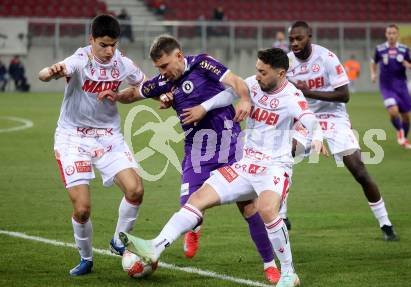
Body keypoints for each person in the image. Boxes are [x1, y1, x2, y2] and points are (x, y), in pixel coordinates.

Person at [119, 48, 324, 287]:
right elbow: (227, 95)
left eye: (262, 72)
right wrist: (204, 108)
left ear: (280, 73)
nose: (256, 76)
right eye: (257, 70)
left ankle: (288, 273)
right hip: (246, 165)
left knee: (266, 210)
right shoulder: (253, 85)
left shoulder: (292, 96)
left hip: (275, 168)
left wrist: (317, 137)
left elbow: (308, 118)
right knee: (197, 199)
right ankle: (155, 246)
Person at [98, 35, 281, 283]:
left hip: (229, 146)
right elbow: (136, 92)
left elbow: (236, 82)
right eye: (158, 68)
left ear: (179, 56)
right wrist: (117, 96)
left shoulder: (203, 64)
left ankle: (270, 265)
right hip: (197, 152)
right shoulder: (165, 81)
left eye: (165, 66)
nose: (163, 72)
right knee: (190, 205)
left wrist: (246, 100)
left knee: (249, 207)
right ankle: (193, 229)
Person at [37, 14, 145, 276]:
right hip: (73, 138)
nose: (109, 51)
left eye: (113, 45)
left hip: (108, 137)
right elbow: (45, 74)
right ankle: (86, 258)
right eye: (103, 45)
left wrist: (120, 95)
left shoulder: (122, 63)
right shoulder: (79, 59)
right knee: (83, 209)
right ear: (91, 40)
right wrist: (51, 72)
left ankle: (119, 241)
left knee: (136, 190)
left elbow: (142, 86)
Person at [287, 21, 398, 241]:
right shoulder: (287, 62)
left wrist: (308, 92)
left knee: (359, 170)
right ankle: (281, 216)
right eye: (291, 39)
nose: (295, 43)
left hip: (334, 118)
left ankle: (385, 223)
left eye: (299, 38)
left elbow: (344, 95)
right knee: (284, 159)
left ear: (310, 36)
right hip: (305, 119)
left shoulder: (326, 58)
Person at [370, 24, 411, 149]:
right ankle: (400, 132)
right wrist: (373, 74)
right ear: (386, 34)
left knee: (406, 116)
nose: (391, 35)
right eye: (389, 33)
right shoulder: (380, 48)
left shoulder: (404, 49)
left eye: (393, 33)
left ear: (397, 34)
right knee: (393, 111)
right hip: (386, 87)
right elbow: (373, 62)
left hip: (401, 86)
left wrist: (409, 66)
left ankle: (404, 139)